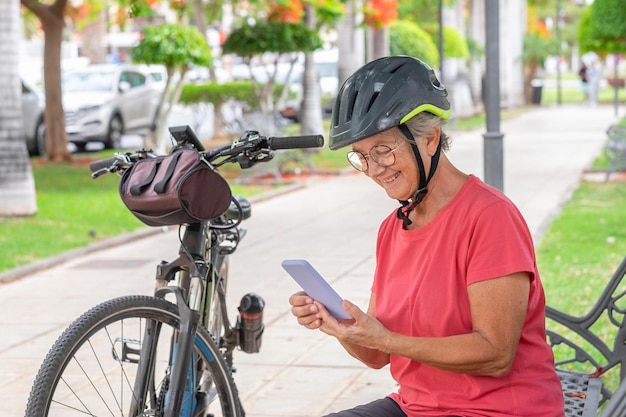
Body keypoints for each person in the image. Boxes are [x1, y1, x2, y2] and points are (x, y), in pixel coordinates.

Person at [289, 56, 564, 417]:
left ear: (431, 139)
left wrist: (386, 339)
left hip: (499, 410)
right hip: (416, 406)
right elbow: (377, 355)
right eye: (361, 157)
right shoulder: (393, 228)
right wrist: (342, 328)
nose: (373, 169)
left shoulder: (490, 217)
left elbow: (496, 354)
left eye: (383, 150)